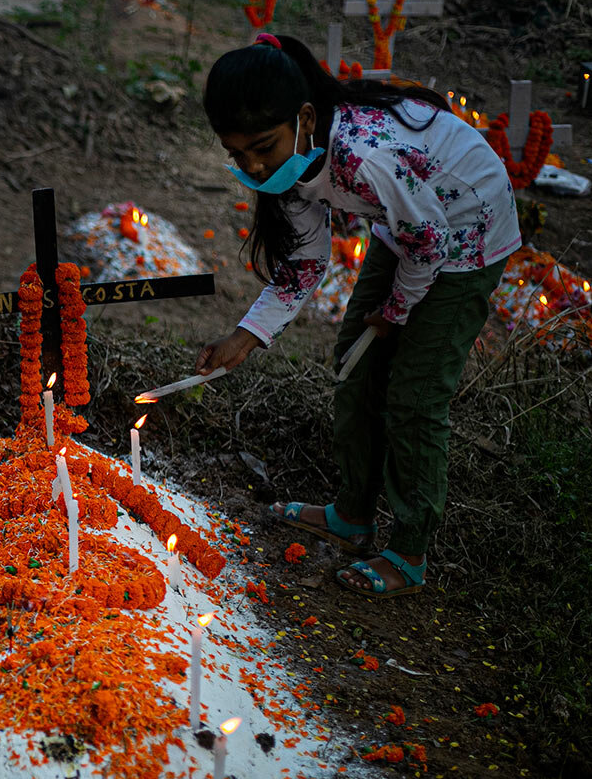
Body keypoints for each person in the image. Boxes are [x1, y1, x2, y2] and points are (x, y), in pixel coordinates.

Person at [195, 33, 518, 599]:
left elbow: (431, 241)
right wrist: (246, 337)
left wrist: (396, 310)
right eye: (236, 153)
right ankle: (352, 513)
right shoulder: (292, 160)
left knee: (415, 397)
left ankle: (409, 550)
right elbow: (304, 261)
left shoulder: (363, 156)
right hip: (412, 228)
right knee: (354, 363)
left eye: (261, 148)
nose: (251, 165)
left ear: (304, 117)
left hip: (467, 230)